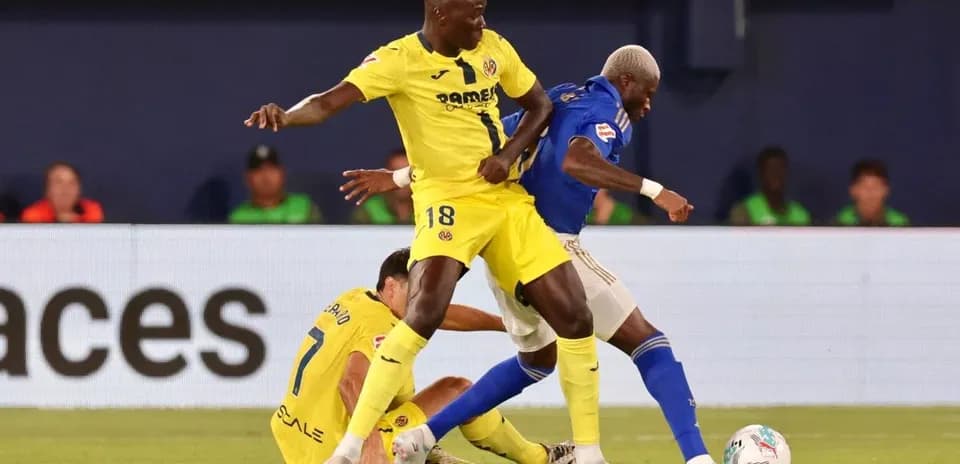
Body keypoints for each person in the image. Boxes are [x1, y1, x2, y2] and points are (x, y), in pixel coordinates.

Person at [244, 1, 605, 463]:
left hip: (506, 201)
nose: (482, 21)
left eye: (483, 10)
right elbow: (327, 102)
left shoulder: (494, 49)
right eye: (471, 13)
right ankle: (355, 447)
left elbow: (540, 106)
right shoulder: (398, 60)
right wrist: (287, 116)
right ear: (439, 13)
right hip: (447, 203)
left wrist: (509, 154)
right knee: (425, 314)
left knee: (575, 317)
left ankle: (588, 454)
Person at [341, 45, 715, 464]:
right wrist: (655, 190)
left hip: (506, 248)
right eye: (647, 93)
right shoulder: (607, 111)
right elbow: (578, 160)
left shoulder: (558, 97)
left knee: (537, 360)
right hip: (548, 247)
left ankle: (423, 435)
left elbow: (485, 146)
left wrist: (398, 176)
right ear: (625, 82)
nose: (648, 104)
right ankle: (696, 458)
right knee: (650, 344)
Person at [271, 247, 574, 464]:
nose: (424, 301)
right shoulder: (381, 325)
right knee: (457, 391)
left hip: (295, 433)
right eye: (416, 291)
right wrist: (369, 445)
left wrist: (507, 324)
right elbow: (351, 383)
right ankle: (542, 459)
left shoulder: (356, 299)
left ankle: (424, 449)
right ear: (390, 286)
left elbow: (440, 315)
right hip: (336, 447)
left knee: (402, 390)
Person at [229, 145, 323, 224]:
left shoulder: (304, 207)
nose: (266, 177)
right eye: (258, 170)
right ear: (248, 178)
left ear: (282, 174)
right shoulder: (239, 217)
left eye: (271, 169)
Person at [729, 147, 811, 226]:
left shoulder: (801, 215)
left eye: (780, 169)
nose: (776, 174)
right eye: (771, 169)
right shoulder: (744, 210)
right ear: (761, 174)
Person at [21, 162, 104, 223]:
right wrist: (59, 221)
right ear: (47, 189)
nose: (65, 189)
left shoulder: (91, 210)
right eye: (58, 182)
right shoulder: (33, 214)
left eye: (72, 183)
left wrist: (75, 221)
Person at [834, 159, 909, 227]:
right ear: (853, 190)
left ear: (886, 190)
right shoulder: (841, 222)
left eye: (876, 186)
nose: (870, 192)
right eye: (864, 186)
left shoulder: (899, 223)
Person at [351, 150, 414, 225]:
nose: (401, 180)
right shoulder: (369, 209)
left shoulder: (427, 204)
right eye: (395, 173)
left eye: (405, 175)